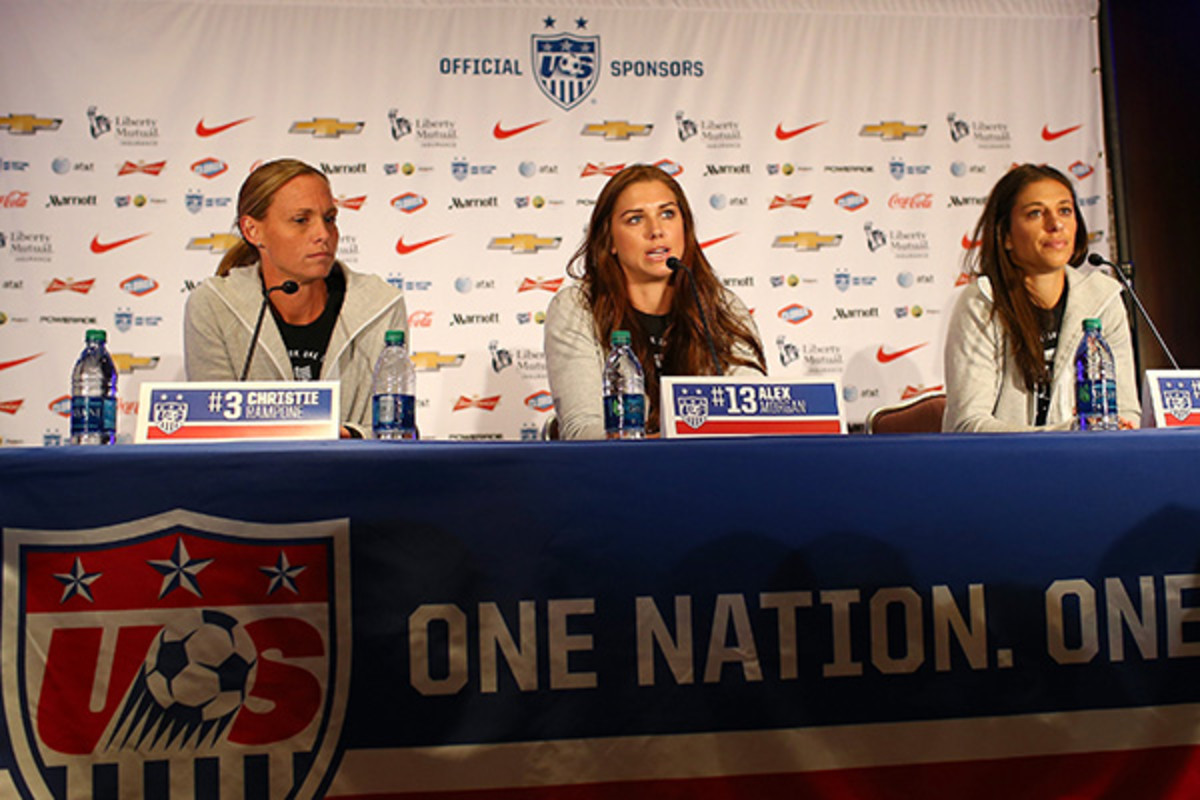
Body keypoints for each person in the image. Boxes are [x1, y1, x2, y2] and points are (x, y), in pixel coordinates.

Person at [183, 158, 407, 438]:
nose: (323, 235)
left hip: (353, 476)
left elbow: (394, 426)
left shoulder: (380, 305)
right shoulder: (213, 304)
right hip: (252, 478)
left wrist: (347, 435)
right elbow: (210, 426)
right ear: (253, 230)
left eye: (329, 219)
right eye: (301, 221)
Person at [545, 164, 766, 439]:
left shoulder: (722, 306)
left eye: (667, 214)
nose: (656, 230)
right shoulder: (578, 308)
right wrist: (673, 442)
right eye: (635, 219)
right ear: (610, 239)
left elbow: (755, 414)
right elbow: (583, 430)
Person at [943, 163, 1140, 431]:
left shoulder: (1103, 299)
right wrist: (1066, 433)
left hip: (1090, 464)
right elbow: (967, 425)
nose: (1056, 224)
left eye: (1065, 211)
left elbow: (1126, 411)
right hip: (1004, 467)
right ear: (1006, 236)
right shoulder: (982, 302)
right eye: (1036, 213)